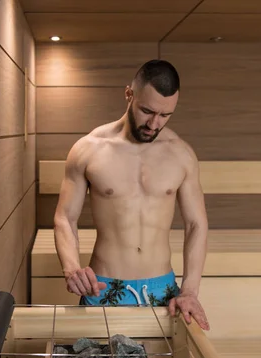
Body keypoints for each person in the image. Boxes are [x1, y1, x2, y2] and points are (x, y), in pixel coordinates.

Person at [53, 59, 210, 330]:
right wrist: (71, 268)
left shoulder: (181, 154)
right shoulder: (89, 149)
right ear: (129, 94)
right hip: (102, 285)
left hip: (163, 289)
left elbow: (196, 224)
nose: (154, 123)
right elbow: (65, 217)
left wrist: (190, 291)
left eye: (165, 115)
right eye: (147, 110)